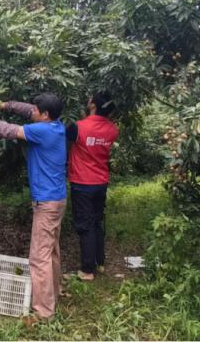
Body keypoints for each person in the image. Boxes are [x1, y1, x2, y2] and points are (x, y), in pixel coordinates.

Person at [0, 93, 66, 323]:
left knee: (38, 257)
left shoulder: (43, 131)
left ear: (46, 115)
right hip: (57, 199)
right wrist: (5, 104)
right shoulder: (56, 125)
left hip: (46, 202)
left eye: (37, 111)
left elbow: (6, 130)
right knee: (51, 251)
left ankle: (43, 312)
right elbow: (27, 110)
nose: (33, 112)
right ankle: (54, 292)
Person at [66, 91, 119, 281]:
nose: (87, 100)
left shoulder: (77, 127)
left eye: (90, 99)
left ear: (93, 105)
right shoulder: (113, 130)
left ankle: (87, 270)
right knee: (97, 222)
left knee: (85, 225)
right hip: (101, 181)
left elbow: (70, 138)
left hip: (82, 182)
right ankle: (99, 261)